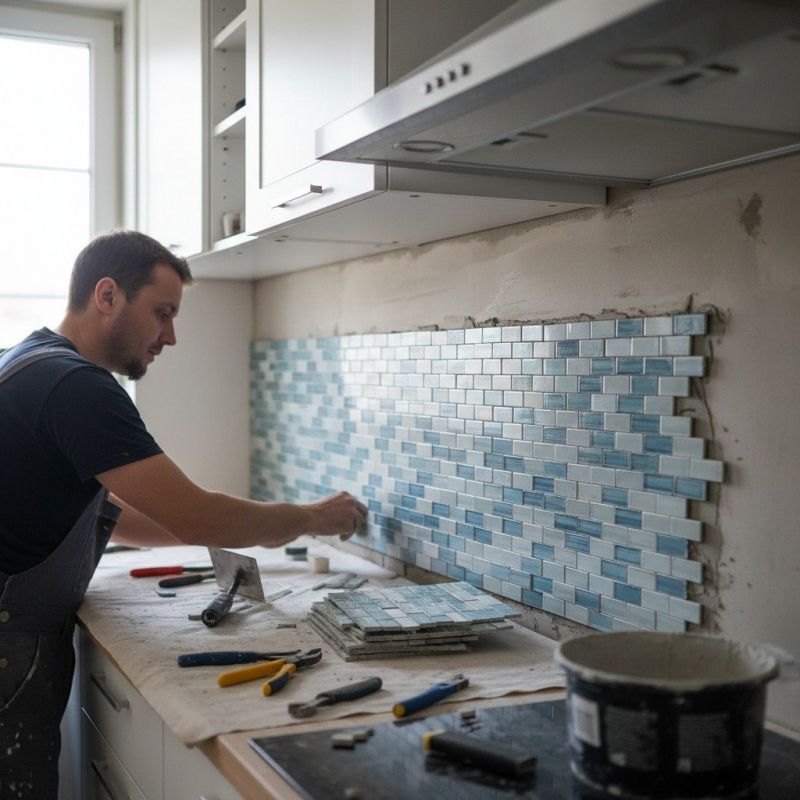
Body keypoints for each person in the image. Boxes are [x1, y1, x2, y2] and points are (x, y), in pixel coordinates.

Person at [0, 230, 367, 798]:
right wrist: (313, 518)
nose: (169, 336)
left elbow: (116, 513)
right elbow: (196, 514)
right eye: (162, 313)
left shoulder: (28, 359)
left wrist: (202, 532)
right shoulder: (77, 386)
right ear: (107, 296)